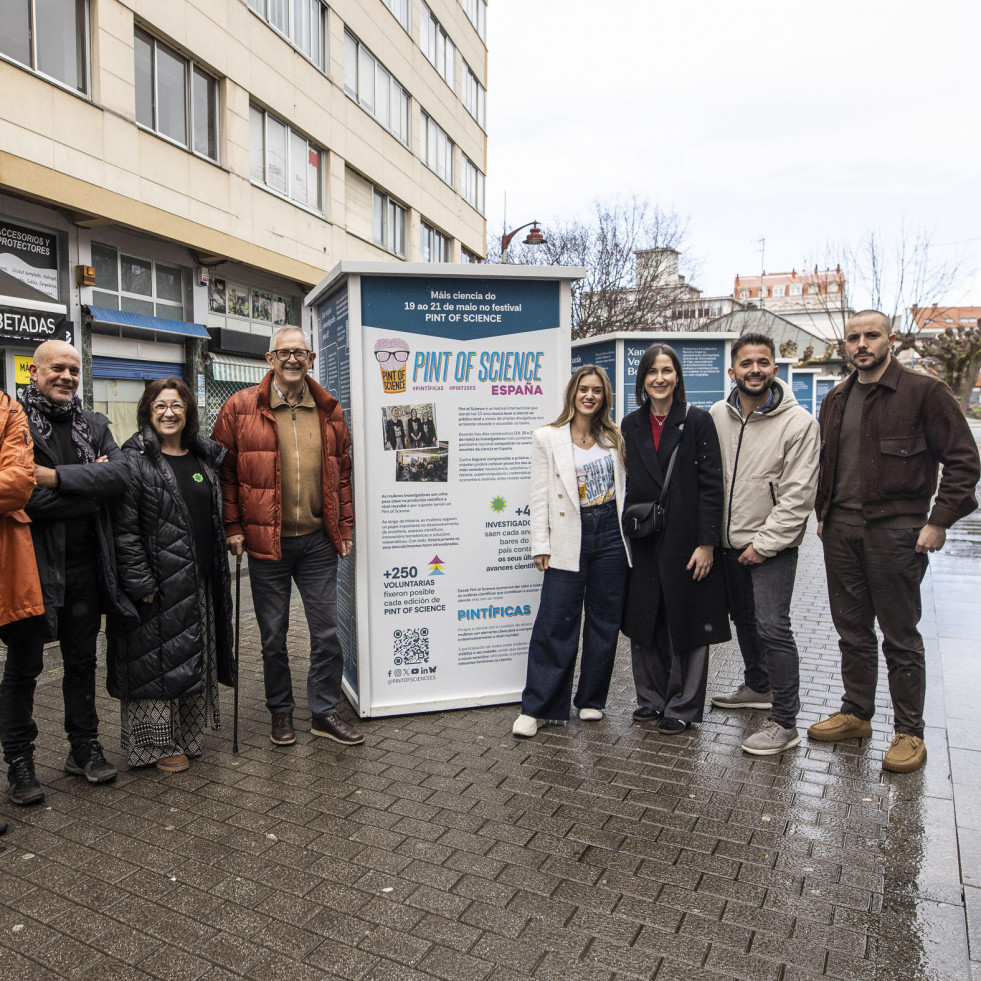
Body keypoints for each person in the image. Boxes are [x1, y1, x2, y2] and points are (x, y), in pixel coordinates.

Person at [810, 311, 981, 773]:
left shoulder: (924, 392)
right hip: (840, 532)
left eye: (871, 335)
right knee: (852, 632)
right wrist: (823, 515)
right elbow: (828, 465)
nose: (861, 343)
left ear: (890, 339)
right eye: (853, 337)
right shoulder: (837, 398)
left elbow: (965, 461)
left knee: (900, 637)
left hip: (897, 533)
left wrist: (938, 520)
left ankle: (909, 732)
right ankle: (856, 714)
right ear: (844, 345)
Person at [212, 326, 362, 747]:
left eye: (300, 352)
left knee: (326, 632)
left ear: (311, 359)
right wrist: (233, 527)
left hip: (317, 540)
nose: (292, 359)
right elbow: (222, 474)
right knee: (273, 636)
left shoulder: (329, 410)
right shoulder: (240, 407)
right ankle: (280, 711)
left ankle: (323, 711)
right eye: (284, 353)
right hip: (265, 544)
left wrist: (344, 526)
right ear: (269, 358)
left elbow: (342, 475)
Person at [0, 340, 134, 805]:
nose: (67, 377)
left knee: (82, 663)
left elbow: (120, 477)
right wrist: (87, 483)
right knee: (24, 670)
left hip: (86, 569)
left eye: (74, 370)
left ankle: (83, 748)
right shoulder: (15, 427)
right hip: (31, 571)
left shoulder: (94, 424)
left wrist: (55, 477)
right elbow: (23, 498)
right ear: (33, 373)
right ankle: (19, 761)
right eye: (57, 368)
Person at [108, 379, 235, 772]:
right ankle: (156, 747)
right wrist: (140, 583)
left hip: (199, 580)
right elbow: (123, 529)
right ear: (148, 410)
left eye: (177, 405)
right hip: (157, 584)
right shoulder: (134, 460)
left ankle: (190, 736)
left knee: (193, 659)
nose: (168, 412)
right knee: (154, 664)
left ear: (188, 412)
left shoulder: (202, 457)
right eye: (160, 405)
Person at [709, 333, 820, 756]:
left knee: (774, 628)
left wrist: (764, 544)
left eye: (763, 362)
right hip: (728, 544)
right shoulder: (719, 415)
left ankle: (785, 721)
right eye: (746, 363)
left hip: (772, 547)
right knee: (745, 622)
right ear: (732, 370)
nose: (754, 369)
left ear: (775, 369)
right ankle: (758, 687)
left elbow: (797, 496)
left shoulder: (799, 423)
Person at [512, 365, 630, 738]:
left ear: (605, 397)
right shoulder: (547, 437)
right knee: (555, 623)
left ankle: (592, 701)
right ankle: (538, 708)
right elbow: (538, 495)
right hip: (568, 535)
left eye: (597, 390)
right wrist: (540, 545)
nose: (590, 396)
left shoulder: (615, 438)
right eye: (584, 389)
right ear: (572, 393)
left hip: (611, 533)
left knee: (604, 622)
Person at [620, 344, 730, 733]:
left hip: (687, 540)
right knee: (644, 621)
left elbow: (712, 486)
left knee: (685, 623)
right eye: (652, 371)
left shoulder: (697, 421)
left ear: (677, 377)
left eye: (667, 370)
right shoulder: (630, 425)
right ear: (643, 380)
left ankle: (681, 706)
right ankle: (650, 699)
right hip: (645, 539)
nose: (660, 378)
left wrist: (707, 543)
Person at [0, 389, 45, 834]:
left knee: (24, 668)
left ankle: (19, 762)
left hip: (14, 565)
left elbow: (17, 484)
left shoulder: (6, 409)